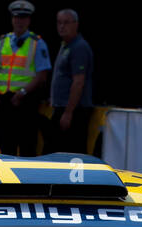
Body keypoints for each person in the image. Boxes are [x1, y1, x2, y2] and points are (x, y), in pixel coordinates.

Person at [0, 0, 50, 155]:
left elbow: (42, 75)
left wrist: (23, 92)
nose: (19, 21)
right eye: (17, 17)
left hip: (25, 102)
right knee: (5, 148)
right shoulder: (2, 41)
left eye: (23, 18)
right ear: (12, 19)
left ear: (29, 20)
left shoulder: (37, 43)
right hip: (4, 102)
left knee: (27, 146)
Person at [45, 8, 93, 153]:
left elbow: (78, 82)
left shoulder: (79, 47)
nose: (62, 26)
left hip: (74, 111)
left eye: (66, 23)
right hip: (62, 107)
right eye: (59, 22)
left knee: (70, 154)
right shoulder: (65, 45)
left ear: (76, 24)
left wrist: (68, 112)